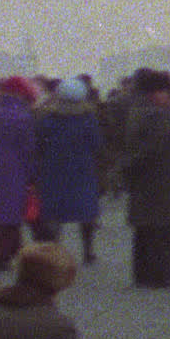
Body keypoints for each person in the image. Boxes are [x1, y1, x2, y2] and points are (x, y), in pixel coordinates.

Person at [125, 69, 170, 288]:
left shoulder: (141, 111)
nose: (169, 96)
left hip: (150, 182)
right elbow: (154, 149)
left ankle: (144, 273)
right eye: (165, 92)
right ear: (154, 94)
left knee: (146, 230)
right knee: (161, 230)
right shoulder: (156, 116)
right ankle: (159, 274)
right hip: (160, 181)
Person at [32, 76, 103, 264]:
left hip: (53, 170)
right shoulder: (88, 117)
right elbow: (96, 144)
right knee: (86, 212)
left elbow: (39, 144)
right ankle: (88, 252)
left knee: (54, 213)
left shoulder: (47, 118)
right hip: (82, 169)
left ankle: (55, 252)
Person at [0, 76, 38, 271]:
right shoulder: (24, 117)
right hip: (17, 170)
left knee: (2, 215)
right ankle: (2, 255)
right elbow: (28, 149)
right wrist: (32, 174)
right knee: (13, 215)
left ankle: (11, 252)